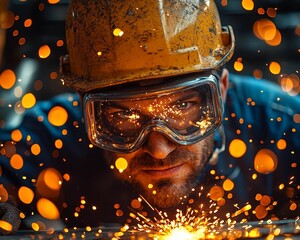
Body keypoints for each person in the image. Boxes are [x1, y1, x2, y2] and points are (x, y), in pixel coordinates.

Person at [0, 0, 299, 234]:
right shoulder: (54, 139)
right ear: (86, 108)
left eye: (182, 107)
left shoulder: (283, 130)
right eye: (124, 116)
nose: (158, 149)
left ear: (220, 90)